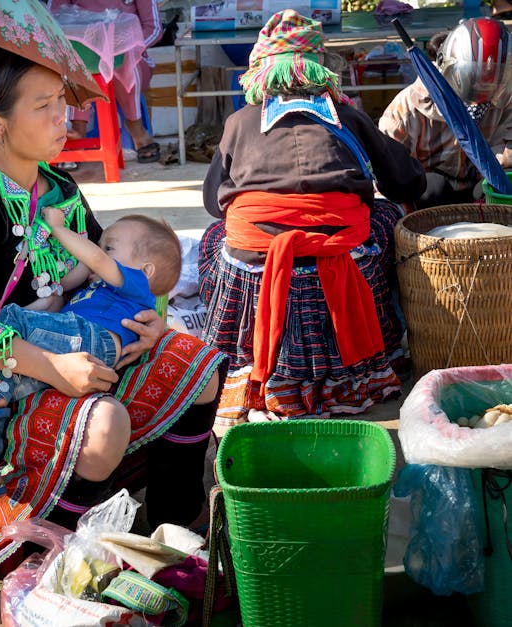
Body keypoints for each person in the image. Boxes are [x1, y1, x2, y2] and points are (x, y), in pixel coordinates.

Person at [0, 42, 227, 577]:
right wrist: (55, 369)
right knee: (106, 426)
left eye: (61, 100)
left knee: (197, 364)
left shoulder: (61, 188)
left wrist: (148, 323)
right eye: (43, 105)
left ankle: (173, 532)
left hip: (82, 341)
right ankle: (54, 557)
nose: (63, 116)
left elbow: (108, 270)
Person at [198, 10, 427, 426]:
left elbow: (214, 204)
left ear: (260, 72)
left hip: (257, 261)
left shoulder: (238, 122)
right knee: (386, 218)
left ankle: (244, 369)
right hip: (342, 249)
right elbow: (406, 184)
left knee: (216, 237)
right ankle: (369, 362)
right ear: (321, 69)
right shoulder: (348, 115)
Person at [0, 214, 182, 513]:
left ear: (145, 270)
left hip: (94, 339)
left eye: (110, 247)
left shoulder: (134, 284)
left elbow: (92, 257)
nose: (98, 250)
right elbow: (59, 287)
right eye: (103, 246)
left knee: (6, 324)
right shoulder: (95, 290)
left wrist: (57, 228)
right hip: (76, 341)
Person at [380, 18, 512, 208]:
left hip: (479, 189)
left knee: (499, 186)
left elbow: (504, 163)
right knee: (434, 186)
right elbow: (388, 169)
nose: (485, 84)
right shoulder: (409, 106)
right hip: (428, 197)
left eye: (493, 76)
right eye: (475, 75)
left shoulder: (504, 102)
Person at [49, 0, 163, 163]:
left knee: (123, 61)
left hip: (131, 57)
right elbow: (52, 22)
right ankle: (77, 129)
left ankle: (135, 126)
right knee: (72, 63)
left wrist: (124, 47)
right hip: (81, 54)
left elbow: (154, 29)